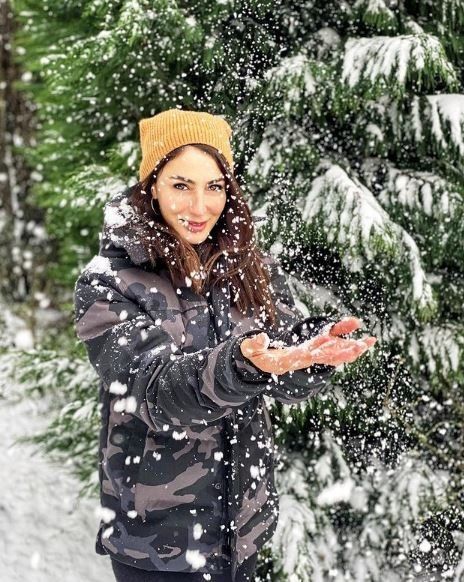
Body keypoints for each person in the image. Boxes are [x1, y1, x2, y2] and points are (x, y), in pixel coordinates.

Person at [73, 108, 377, 582]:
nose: (200, 207)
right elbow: (154, 394)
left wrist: (309, 352)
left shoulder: (246, 266)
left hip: (243, 531)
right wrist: (241, 367)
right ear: (151, 184)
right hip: (158, 544)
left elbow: (279, 352)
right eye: (180, 185)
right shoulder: (110, 283)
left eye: (214, 186)